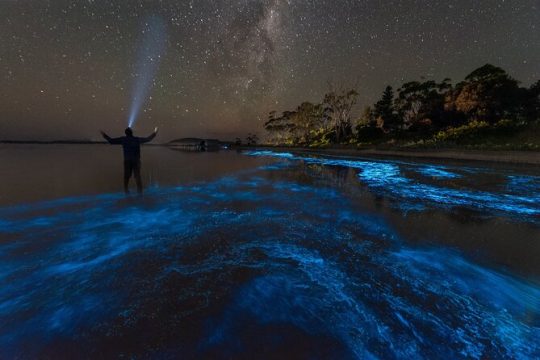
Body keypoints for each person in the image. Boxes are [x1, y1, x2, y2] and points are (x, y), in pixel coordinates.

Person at [100, 127, 158, 195]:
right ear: (131, 132)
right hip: (136, 161)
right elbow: (148, 139)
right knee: (137, 176)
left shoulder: (123, 139)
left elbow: (111, 141)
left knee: (126, 176)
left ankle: (126, 190)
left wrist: (104, 135)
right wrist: (155, 132)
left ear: (126, 133)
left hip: (127, 161)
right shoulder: (136, 139)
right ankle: (140, 191)